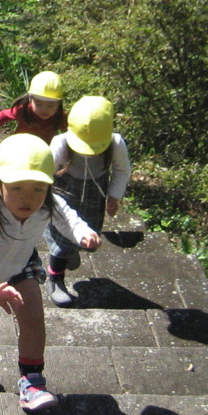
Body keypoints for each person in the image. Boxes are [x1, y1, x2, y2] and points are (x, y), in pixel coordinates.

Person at [0, 134, 98, 411]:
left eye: (38, 188)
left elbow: (67, 216)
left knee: (33, 318)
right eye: (16, 187)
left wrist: (82, 232)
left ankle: (32, 381)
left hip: (20, 267)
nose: (28, 198)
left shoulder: (48, 203)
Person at [46, 95, 131, 307]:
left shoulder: (115, 143)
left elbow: (122, 170)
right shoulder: (61, 143)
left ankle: (71, 249)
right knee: (61, 240)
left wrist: (114, 196)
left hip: (95, 195)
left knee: (90, 236)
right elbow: (46, 172)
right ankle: (55, 278)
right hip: (64, 194)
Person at [0, 71, 68, 144]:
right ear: (30, 99)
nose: (44, 110)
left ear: (59, 103)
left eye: (51, 105)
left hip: (44, 152)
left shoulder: (60, 116)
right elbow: (3, 115)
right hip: (20, 146)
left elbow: (70, 134)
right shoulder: (24, 110)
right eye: (38, 104)